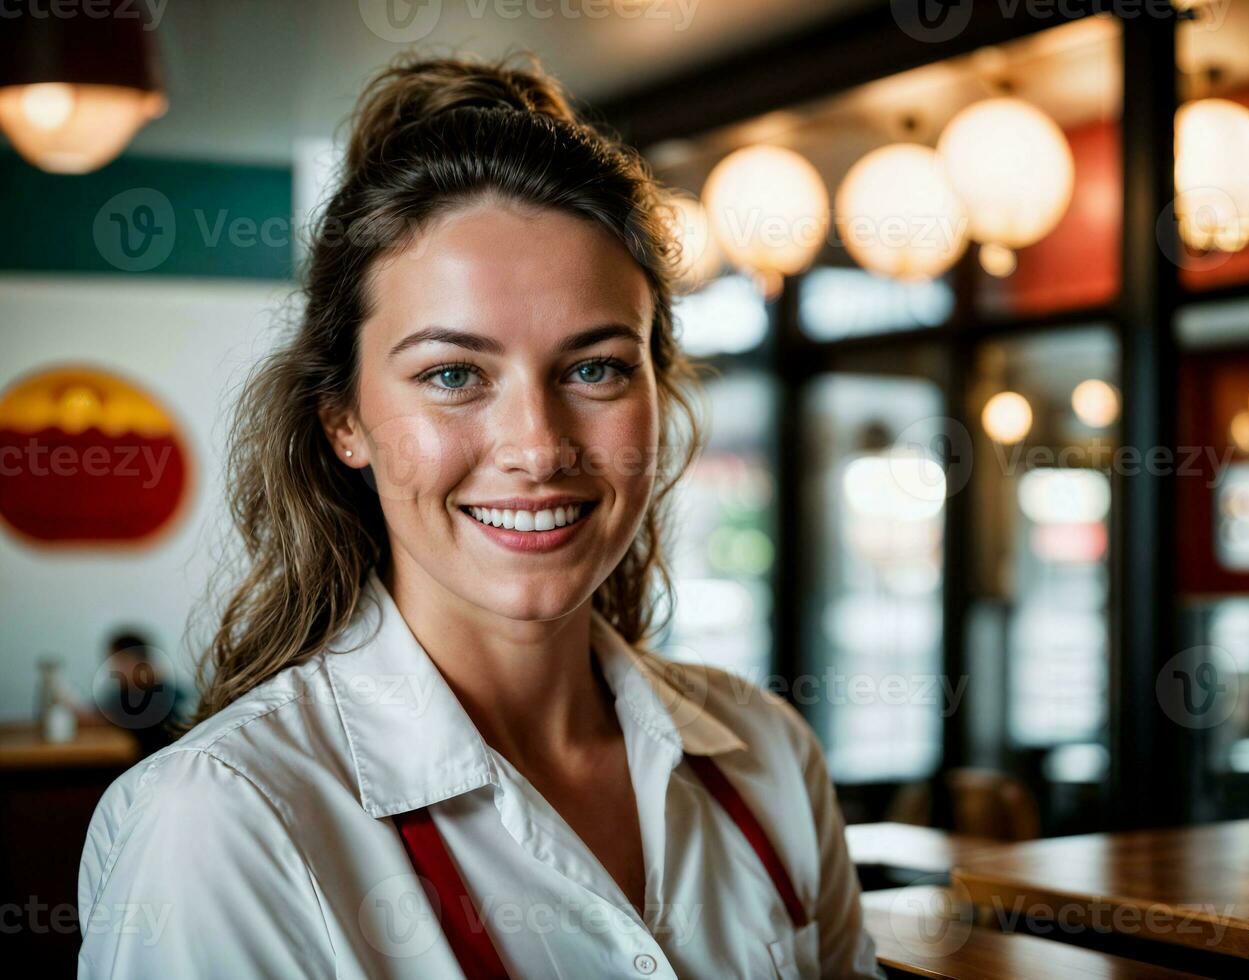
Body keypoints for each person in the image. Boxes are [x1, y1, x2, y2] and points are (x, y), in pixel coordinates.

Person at [77, 53, 884, 979]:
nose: (537, 449)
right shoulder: (224, 822)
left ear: (660, 387)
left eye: (596, 368)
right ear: (343, 418)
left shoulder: (768, 757)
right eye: (453, 375)